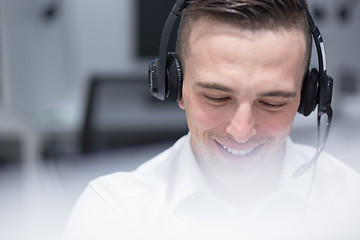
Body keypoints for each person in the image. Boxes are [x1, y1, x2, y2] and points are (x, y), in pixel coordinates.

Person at [63, 0, 360, 239]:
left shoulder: (348, 204)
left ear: (307, 98)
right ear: (174, 87)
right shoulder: (113, 213)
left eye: (271, 103)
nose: (241, 131)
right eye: (217, 98)